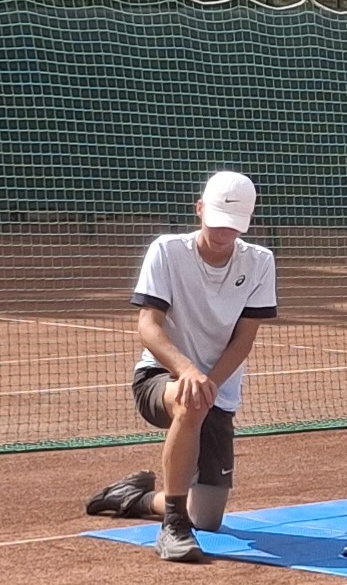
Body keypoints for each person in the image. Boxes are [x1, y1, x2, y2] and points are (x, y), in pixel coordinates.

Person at [107, 171, 277, 563]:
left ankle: (135, 497)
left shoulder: (260, 262)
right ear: (199, 209)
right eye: (216, 221)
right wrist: (187, 372)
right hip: (160, 378)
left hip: (216, 389)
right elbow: (148, 326)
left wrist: (209, 383)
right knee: (191, 401)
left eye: (233, 227)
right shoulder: (167, 251)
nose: (223, 233)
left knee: (210, 518)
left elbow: (244, 339)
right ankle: (172, 528)